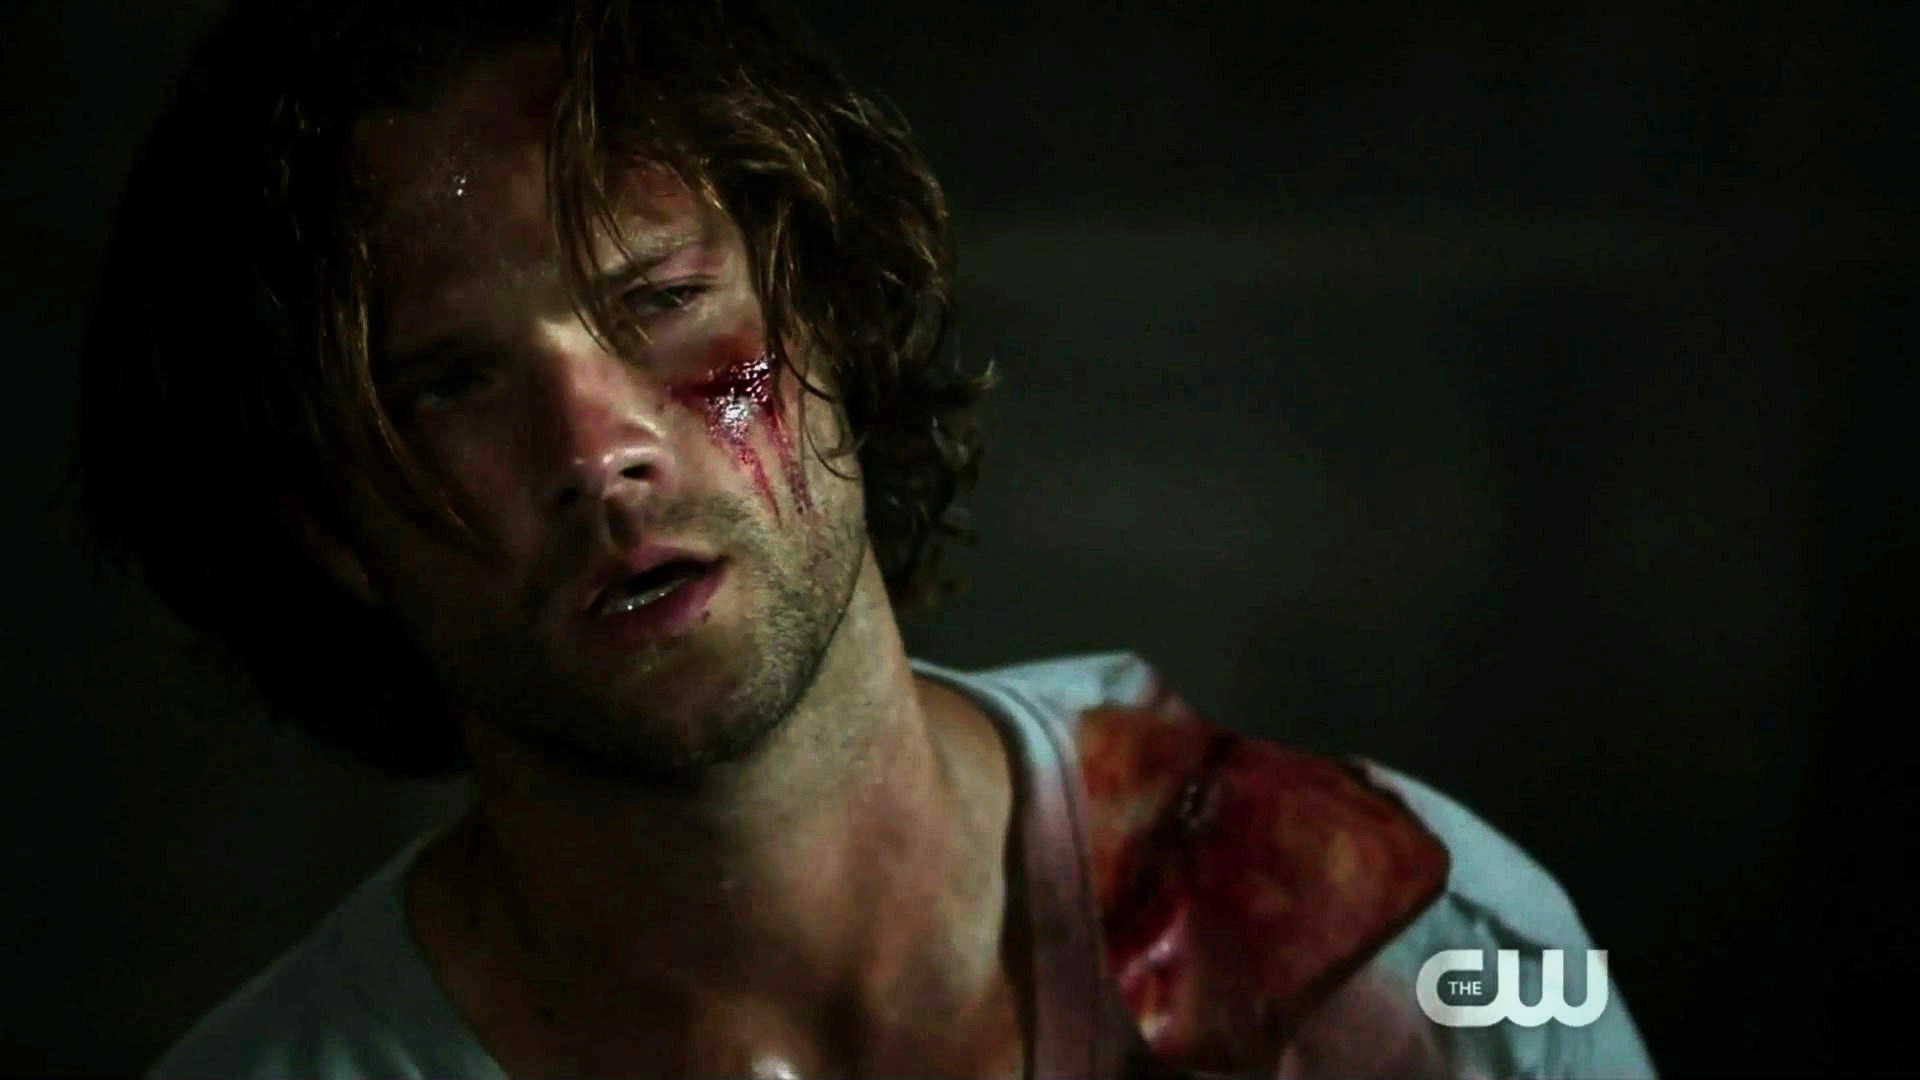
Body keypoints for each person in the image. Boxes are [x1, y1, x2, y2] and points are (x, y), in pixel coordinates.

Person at [77, 1, 1658, 1076]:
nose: (597, 447)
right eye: (448, 384)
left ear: (826, 307)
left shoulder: (1405, 948)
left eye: (662, 300)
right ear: (328, 523)